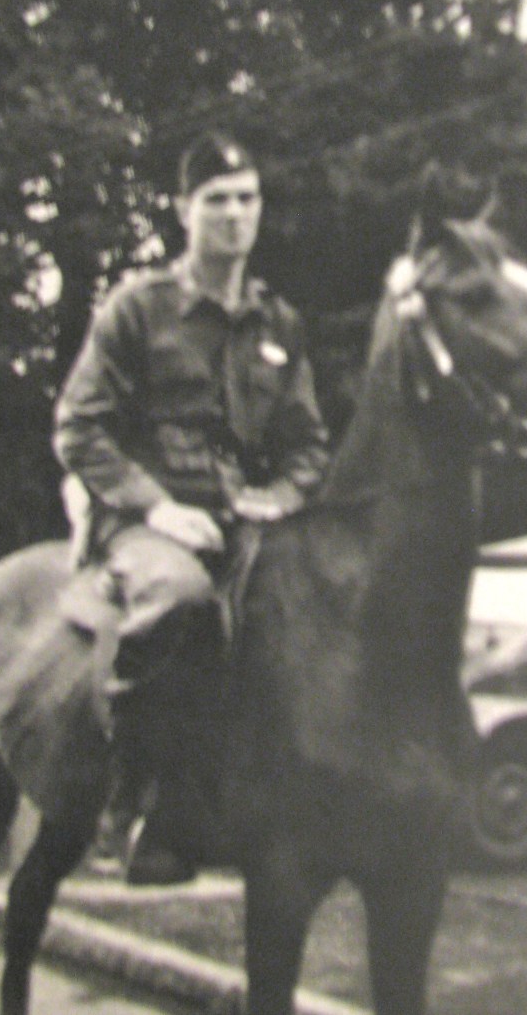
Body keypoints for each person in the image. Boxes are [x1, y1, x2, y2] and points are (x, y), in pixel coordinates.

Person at [52, 130, 329, 879]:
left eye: (248, 198)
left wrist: (279, 495)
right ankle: (127, 804)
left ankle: (266, 800)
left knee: (313, 607)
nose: (235, 215)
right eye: (217, 201)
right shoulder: (138, 309)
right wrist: (153, 506)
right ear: (184, 211)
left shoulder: (278, 324)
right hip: (145, 521)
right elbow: (78, 426)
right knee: (178, 599)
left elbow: (308, 443)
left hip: (241, 519)